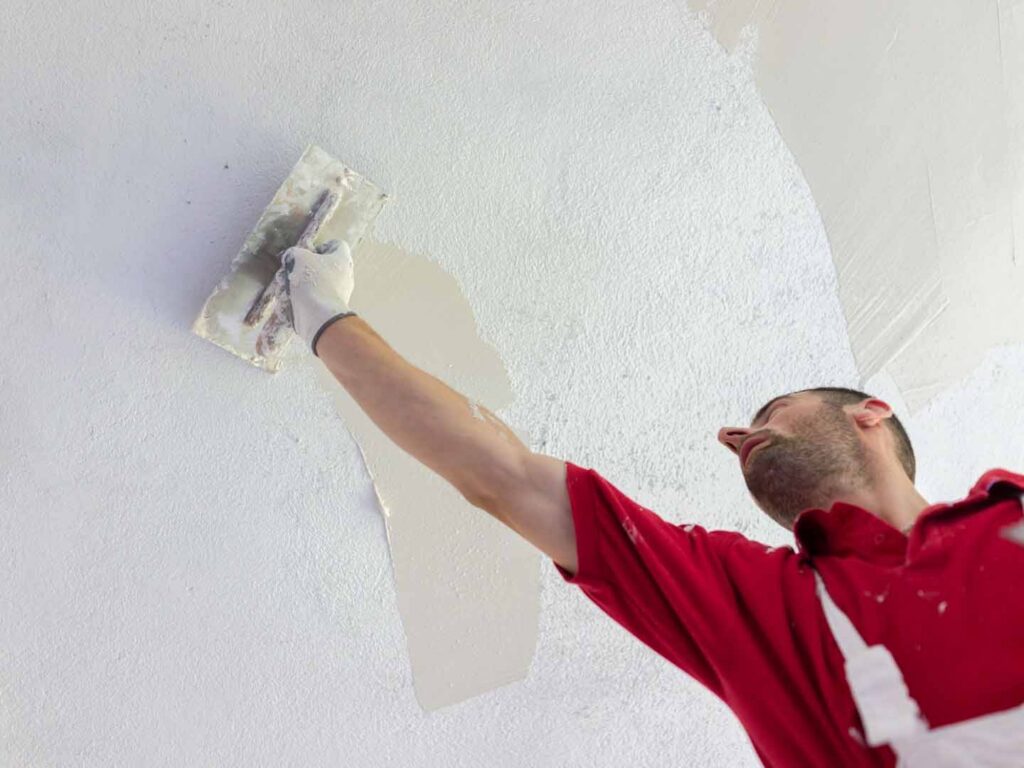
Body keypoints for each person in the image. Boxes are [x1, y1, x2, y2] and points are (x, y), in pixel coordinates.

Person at [270, 242, 1024, 767]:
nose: (734, 435)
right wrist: (322, 316)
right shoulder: (752, 606)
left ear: (870, 413)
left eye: (774, 411)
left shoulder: (1006, 512)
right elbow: (504, 477)